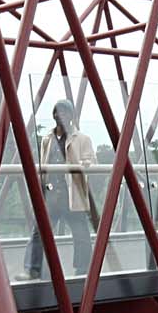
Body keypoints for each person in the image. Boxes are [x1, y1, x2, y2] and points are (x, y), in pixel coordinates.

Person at [27, 98, 99, 278]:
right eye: (58, 111)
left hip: (71, 193)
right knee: (39, 231)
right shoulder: (47, 139)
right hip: (51, 194)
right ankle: (34, 269)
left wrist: (83, 164)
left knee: (80, 234)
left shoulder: (82, 139)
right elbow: (43, 166)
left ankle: (83, 270)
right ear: (54, 115)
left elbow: (92, 162)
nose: (61, 115)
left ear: (72, 116)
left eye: (65, 112)